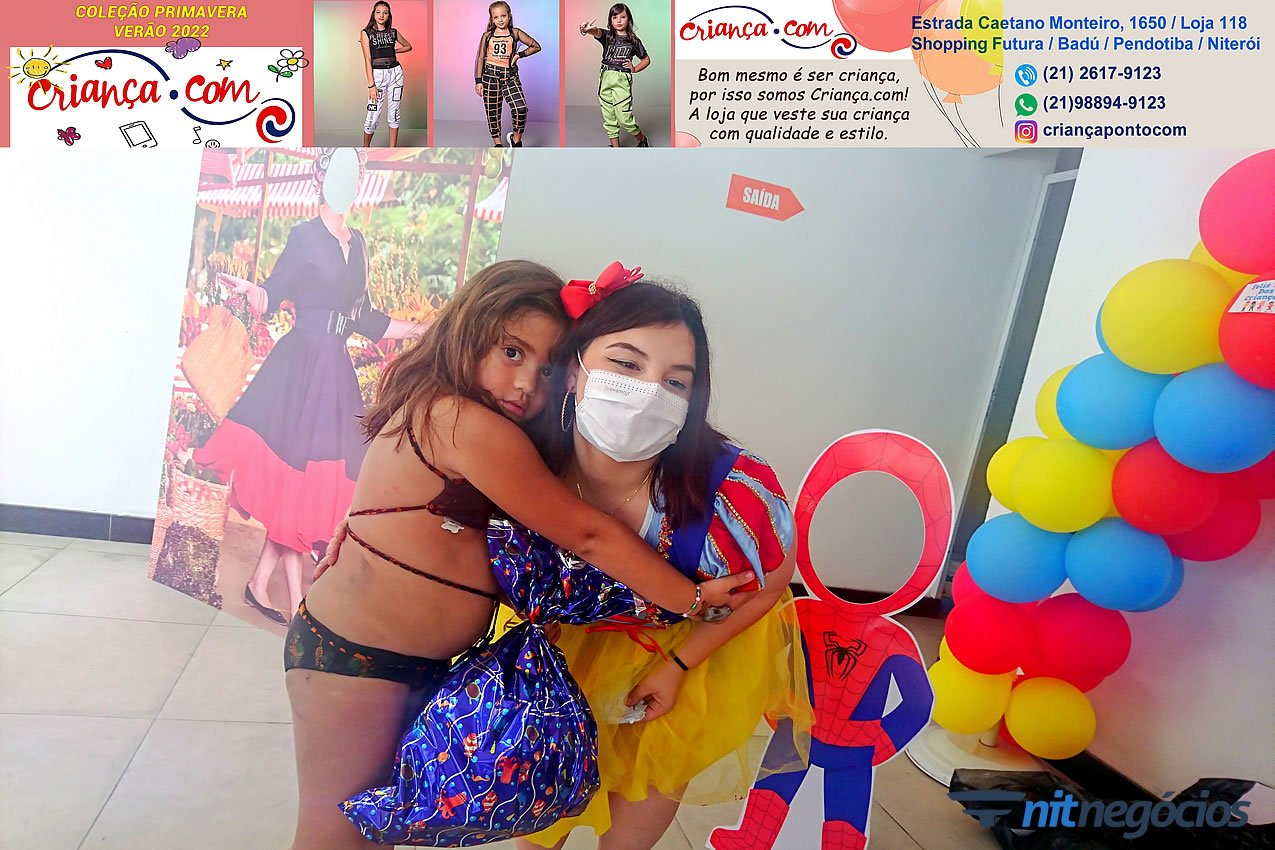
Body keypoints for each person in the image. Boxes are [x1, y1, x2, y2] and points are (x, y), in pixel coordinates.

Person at [286, 261, 754, 850]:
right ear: (467, 331)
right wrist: (688, 598)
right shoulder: (464, 421)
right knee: (334, 834)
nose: (526, 383)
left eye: (548, 367)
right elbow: (587, 535)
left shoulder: (482, 423)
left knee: (372, 830)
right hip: (359, 659)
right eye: (512, 352)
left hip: (407, 660)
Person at [194, 148, 425, 627]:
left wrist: (422, 330)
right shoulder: (303, 236)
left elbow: (365, 317)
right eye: (340, 171)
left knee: (317, 478)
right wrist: (252, 290)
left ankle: (262, 584)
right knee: (299, 477)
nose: (348, 180)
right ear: (323, 178)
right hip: (301, 365)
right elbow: (272, 294)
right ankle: (300, 598)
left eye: (354, 173)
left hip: (333, 370)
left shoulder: (358, 243)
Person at [579, 4, 650, 148]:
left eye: (622, 17)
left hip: (622, 79)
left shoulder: (634, 41)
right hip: (605, 76)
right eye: (615, 17)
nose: (618, 20)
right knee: (609, 116)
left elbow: (646, 59)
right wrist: (586, 29)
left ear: (628, 20)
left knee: (624, 118)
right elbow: (596, 31)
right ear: (610, 20)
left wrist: (634, 69)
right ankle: (616, 149)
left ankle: (642, 139)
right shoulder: (607, 36)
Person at [475, 1, 540, 148]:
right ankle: (498, 145)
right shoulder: (487, 36)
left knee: (520, 108)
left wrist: (519, 55)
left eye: (503, 16)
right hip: (490, 77)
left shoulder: (515, 33)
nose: (500, 20)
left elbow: (536, 46)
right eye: (496, 17)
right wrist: (478, 81)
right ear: (492, 19)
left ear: (509, 16)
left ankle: (516, 141)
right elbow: (480, 58)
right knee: (492, 112)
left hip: (509, 77)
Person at [360, 1, 412, 147]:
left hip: (396, 74)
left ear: (389, 15)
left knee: (394, 114)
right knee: (372, 117)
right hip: (377, 76)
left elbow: (408, 46)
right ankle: (365, 149)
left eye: (385, 12)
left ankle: (392, 149)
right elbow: (367, 60)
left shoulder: (393, 32)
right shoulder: (366, 33)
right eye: (378, 12)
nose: (381, 15)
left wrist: (393, 51)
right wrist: (371, 85)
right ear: (373, 14)